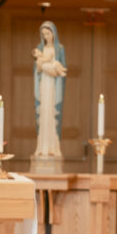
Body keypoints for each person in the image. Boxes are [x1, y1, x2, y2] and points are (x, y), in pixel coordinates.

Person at [32, 21, 67, 159]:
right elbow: (37, 70)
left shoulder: (59, 48)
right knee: (44, 112)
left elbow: (63, 67)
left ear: (53, 33)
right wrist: (40, 67)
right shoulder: (39, 49)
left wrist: (54, 69)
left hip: (53, 84)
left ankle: (53, 146)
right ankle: (42, 146)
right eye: (44, 34)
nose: (46, 36)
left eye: (48, 33)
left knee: (52, 113)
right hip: (44, 84)